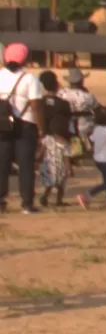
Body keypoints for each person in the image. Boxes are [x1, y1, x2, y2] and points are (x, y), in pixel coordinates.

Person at [2, 46, 38, 214]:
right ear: (25, 59)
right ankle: (27, 204)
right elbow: (36, 105)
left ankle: (1, 202)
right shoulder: (29, 78)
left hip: (2, 125)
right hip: (25, 125)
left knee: (2, 164)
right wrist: (42, 128)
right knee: (26, 165)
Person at [34, 73, 73, 209]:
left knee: (49, 176)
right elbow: (68, 121)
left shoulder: (39, 103)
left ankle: (45, 197)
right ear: (56, 85)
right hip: (60, 139)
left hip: (45, 138)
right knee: (61, 177)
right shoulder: (64, 104)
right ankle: (58, 200)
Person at [79, 102, 106, 209]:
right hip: (105, 160)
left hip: (99, 160)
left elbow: (92, 140)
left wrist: (90, 151)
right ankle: (87, 195)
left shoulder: (97, 129)